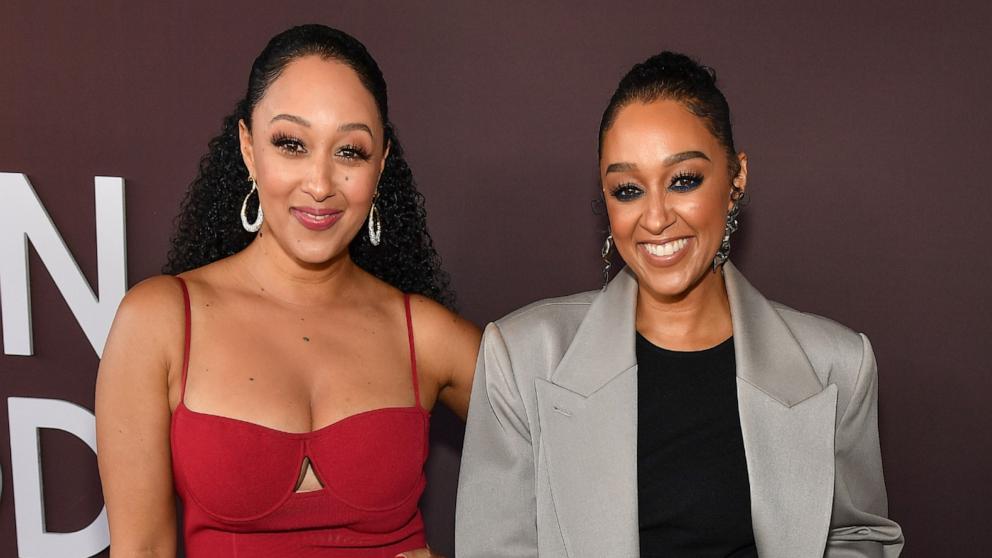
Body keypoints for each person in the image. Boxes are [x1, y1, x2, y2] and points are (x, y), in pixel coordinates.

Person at [455, 51, 904, 557]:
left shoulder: (837, 366)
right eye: (628, 189)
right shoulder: (521, 358)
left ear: (737, 179)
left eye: (683, 180)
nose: (655, 217)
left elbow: (858, 537)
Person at [96, 24, 479, 558]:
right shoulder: (160, 321)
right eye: (291, 144)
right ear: (249, 149)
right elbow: (141, 549)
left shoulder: (424, 333)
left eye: (350, 152)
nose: (320, 184)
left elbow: (584, 442)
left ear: (381, 165)